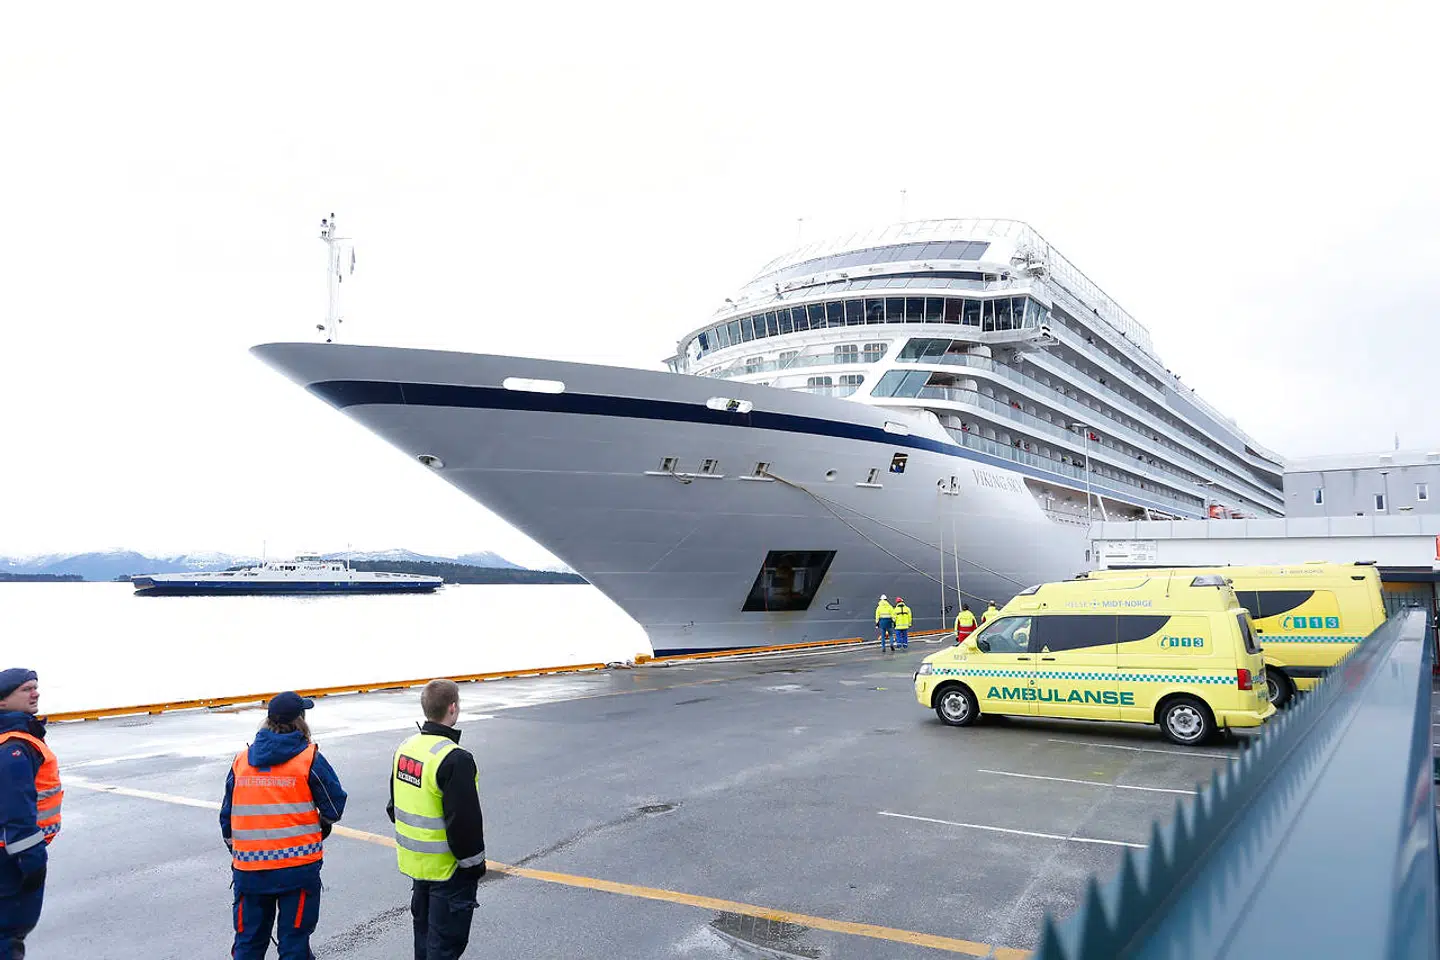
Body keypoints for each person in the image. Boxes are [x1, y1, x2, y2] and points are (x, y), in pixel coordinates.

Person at [221, 691, 348, 960]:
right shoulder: (308, 758)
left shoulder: (241, 761)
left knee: (248, 944)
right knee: (294, 945)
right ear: (301, 720)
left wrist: (243, 850)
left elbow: (227, 820)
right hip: (297, 871)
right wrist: (319, 827)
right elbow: (334, 807)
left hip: (250, 872)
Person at [389, 680, 486, 960]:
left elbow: (393, 806)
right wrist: (474, 867)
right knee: (444, 947)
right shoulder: (455, 759)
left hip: (417, 867)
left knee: (425, 943)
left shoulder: (405, 748)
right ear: (453, 709)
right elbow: (464, 824)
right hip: (448, 872)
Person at [0, 669, 58, 960]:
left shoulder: (13, 739)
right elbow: (17, 813)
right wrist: (33, 862)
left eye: (35, 687)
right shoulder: (15, 747)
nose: (35, 693)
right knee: (7, 935)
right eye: (25, 689)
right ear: (2, 702)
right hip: (12, 860)